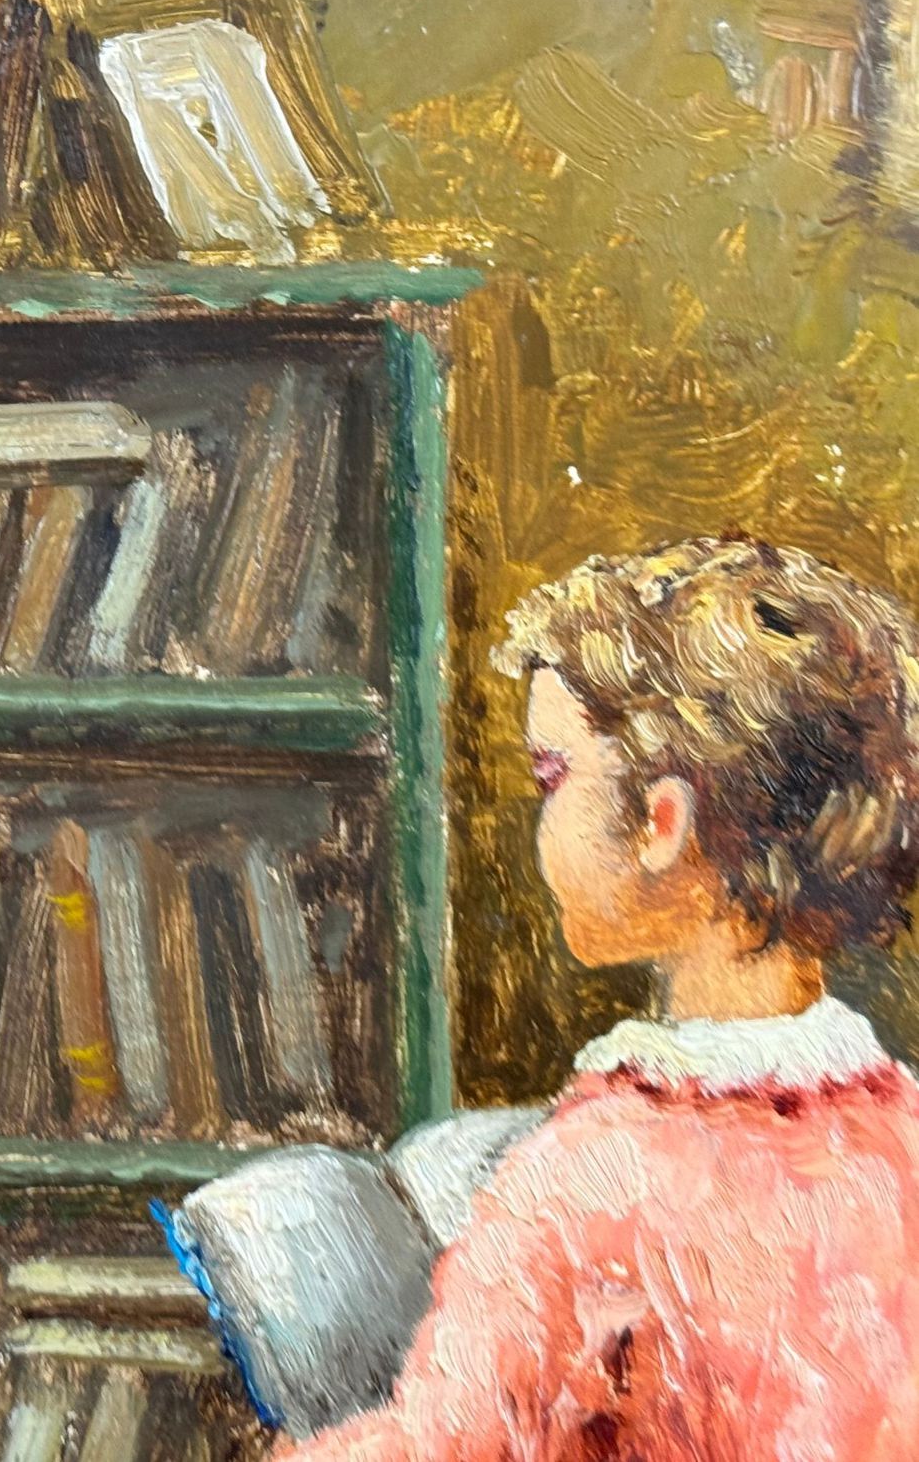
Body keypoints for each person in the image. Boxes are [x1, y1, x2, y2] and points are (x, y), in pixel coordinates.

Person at [282, 536, 919, 1460]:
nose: (539, 819)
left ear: (663, 823)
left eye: (553, 776)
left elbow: (443, 1445)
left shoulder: (595, 1175)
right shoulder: (901, 1142)